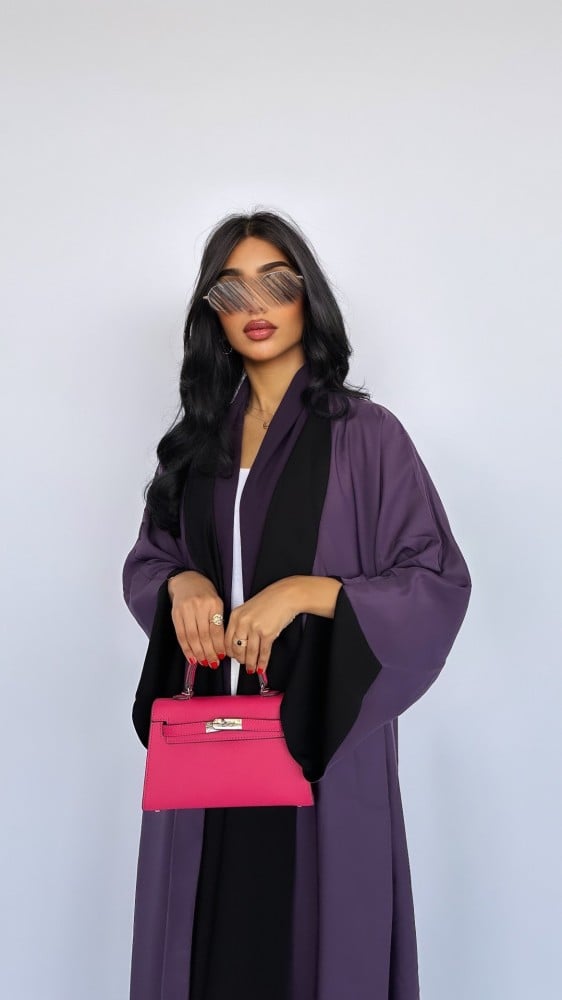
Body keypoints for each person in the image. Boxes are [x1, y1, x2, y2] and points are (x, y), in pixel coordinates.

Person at [121, 209, 472, 1000]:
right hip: (209, 739)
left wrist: (306, 593)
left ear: (308, 297)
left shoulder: (366, 436)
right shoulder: (198, 444)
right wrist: (182, 584)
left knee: (319, 942)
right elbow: (152, 559)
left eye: (276, 283)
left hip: (318, 738)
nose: (255, 304)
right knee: (208, 942)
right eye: (232, 289)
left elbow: (435, 578)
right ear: (212, 313)